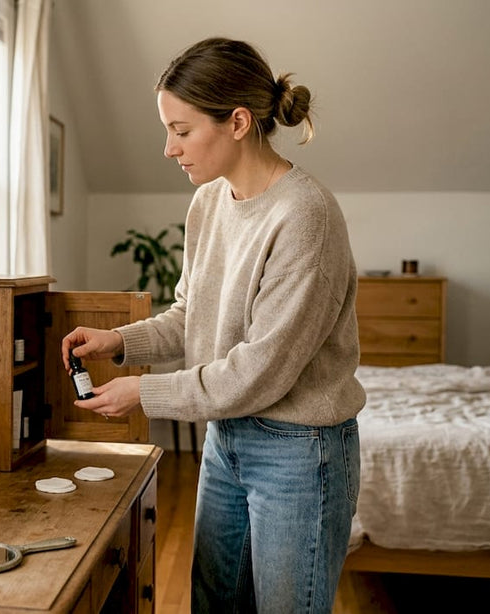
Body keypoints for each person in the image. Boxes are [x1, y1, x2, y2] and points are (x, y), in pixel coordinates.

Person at [61, 37, 365, 613]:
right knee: (214, 603)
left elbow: (258, 372)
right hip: (227, 438)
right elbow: (190, 315)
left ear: (239, 122)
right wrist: (120, 342)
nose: (168, 149)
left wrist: (144, 393)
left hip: (300, 454)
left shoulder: (306, 217)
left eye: (181, 130)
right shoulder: (208, 203)